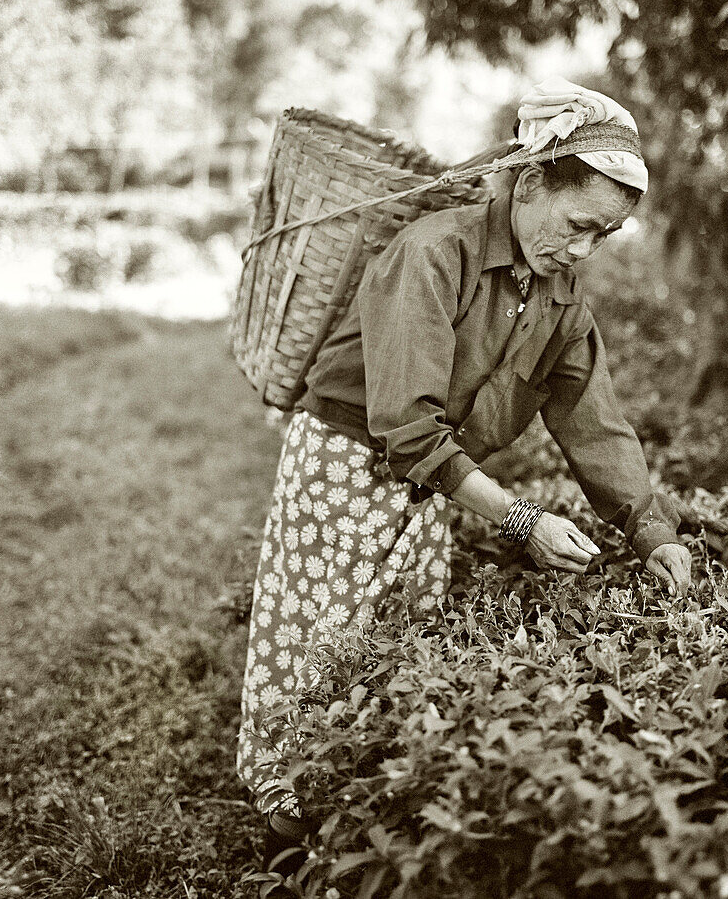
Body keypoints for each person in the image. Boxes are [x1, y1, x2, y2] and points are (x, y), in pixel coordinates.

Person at [236, 77, 693, 877]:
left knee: (394, 638)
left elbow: (593, 420)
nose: (582, 248)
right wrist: (518, 519)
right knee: (316, 644)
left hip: (433, 479)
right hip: (345, 465)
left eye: (604, 236)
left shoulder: (557, 293)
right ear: (526, 184)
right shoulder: (429, 252)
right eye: (578, 225)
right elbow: (405, 427)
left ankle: (354, 821)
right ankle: (282, 839)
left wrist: (647, 529)